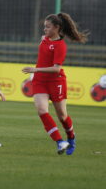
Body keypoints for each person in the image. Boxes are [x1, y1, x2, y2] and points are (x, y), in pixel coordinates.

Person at [22, 13, 88, 155]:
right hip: (40, 81)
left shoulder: (60, 46)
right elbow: (45, 43)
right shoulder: (44, 39)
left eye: (48, 27)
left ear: (57, 28)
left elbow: (57, 68)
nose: (44, 29)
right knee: (41, 110)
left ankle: (71, 137)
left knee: (62, 116)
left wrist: (35, 69)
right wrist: (37, 72)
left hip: (56, 82)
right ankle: (60, 141)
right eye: (44, 26)